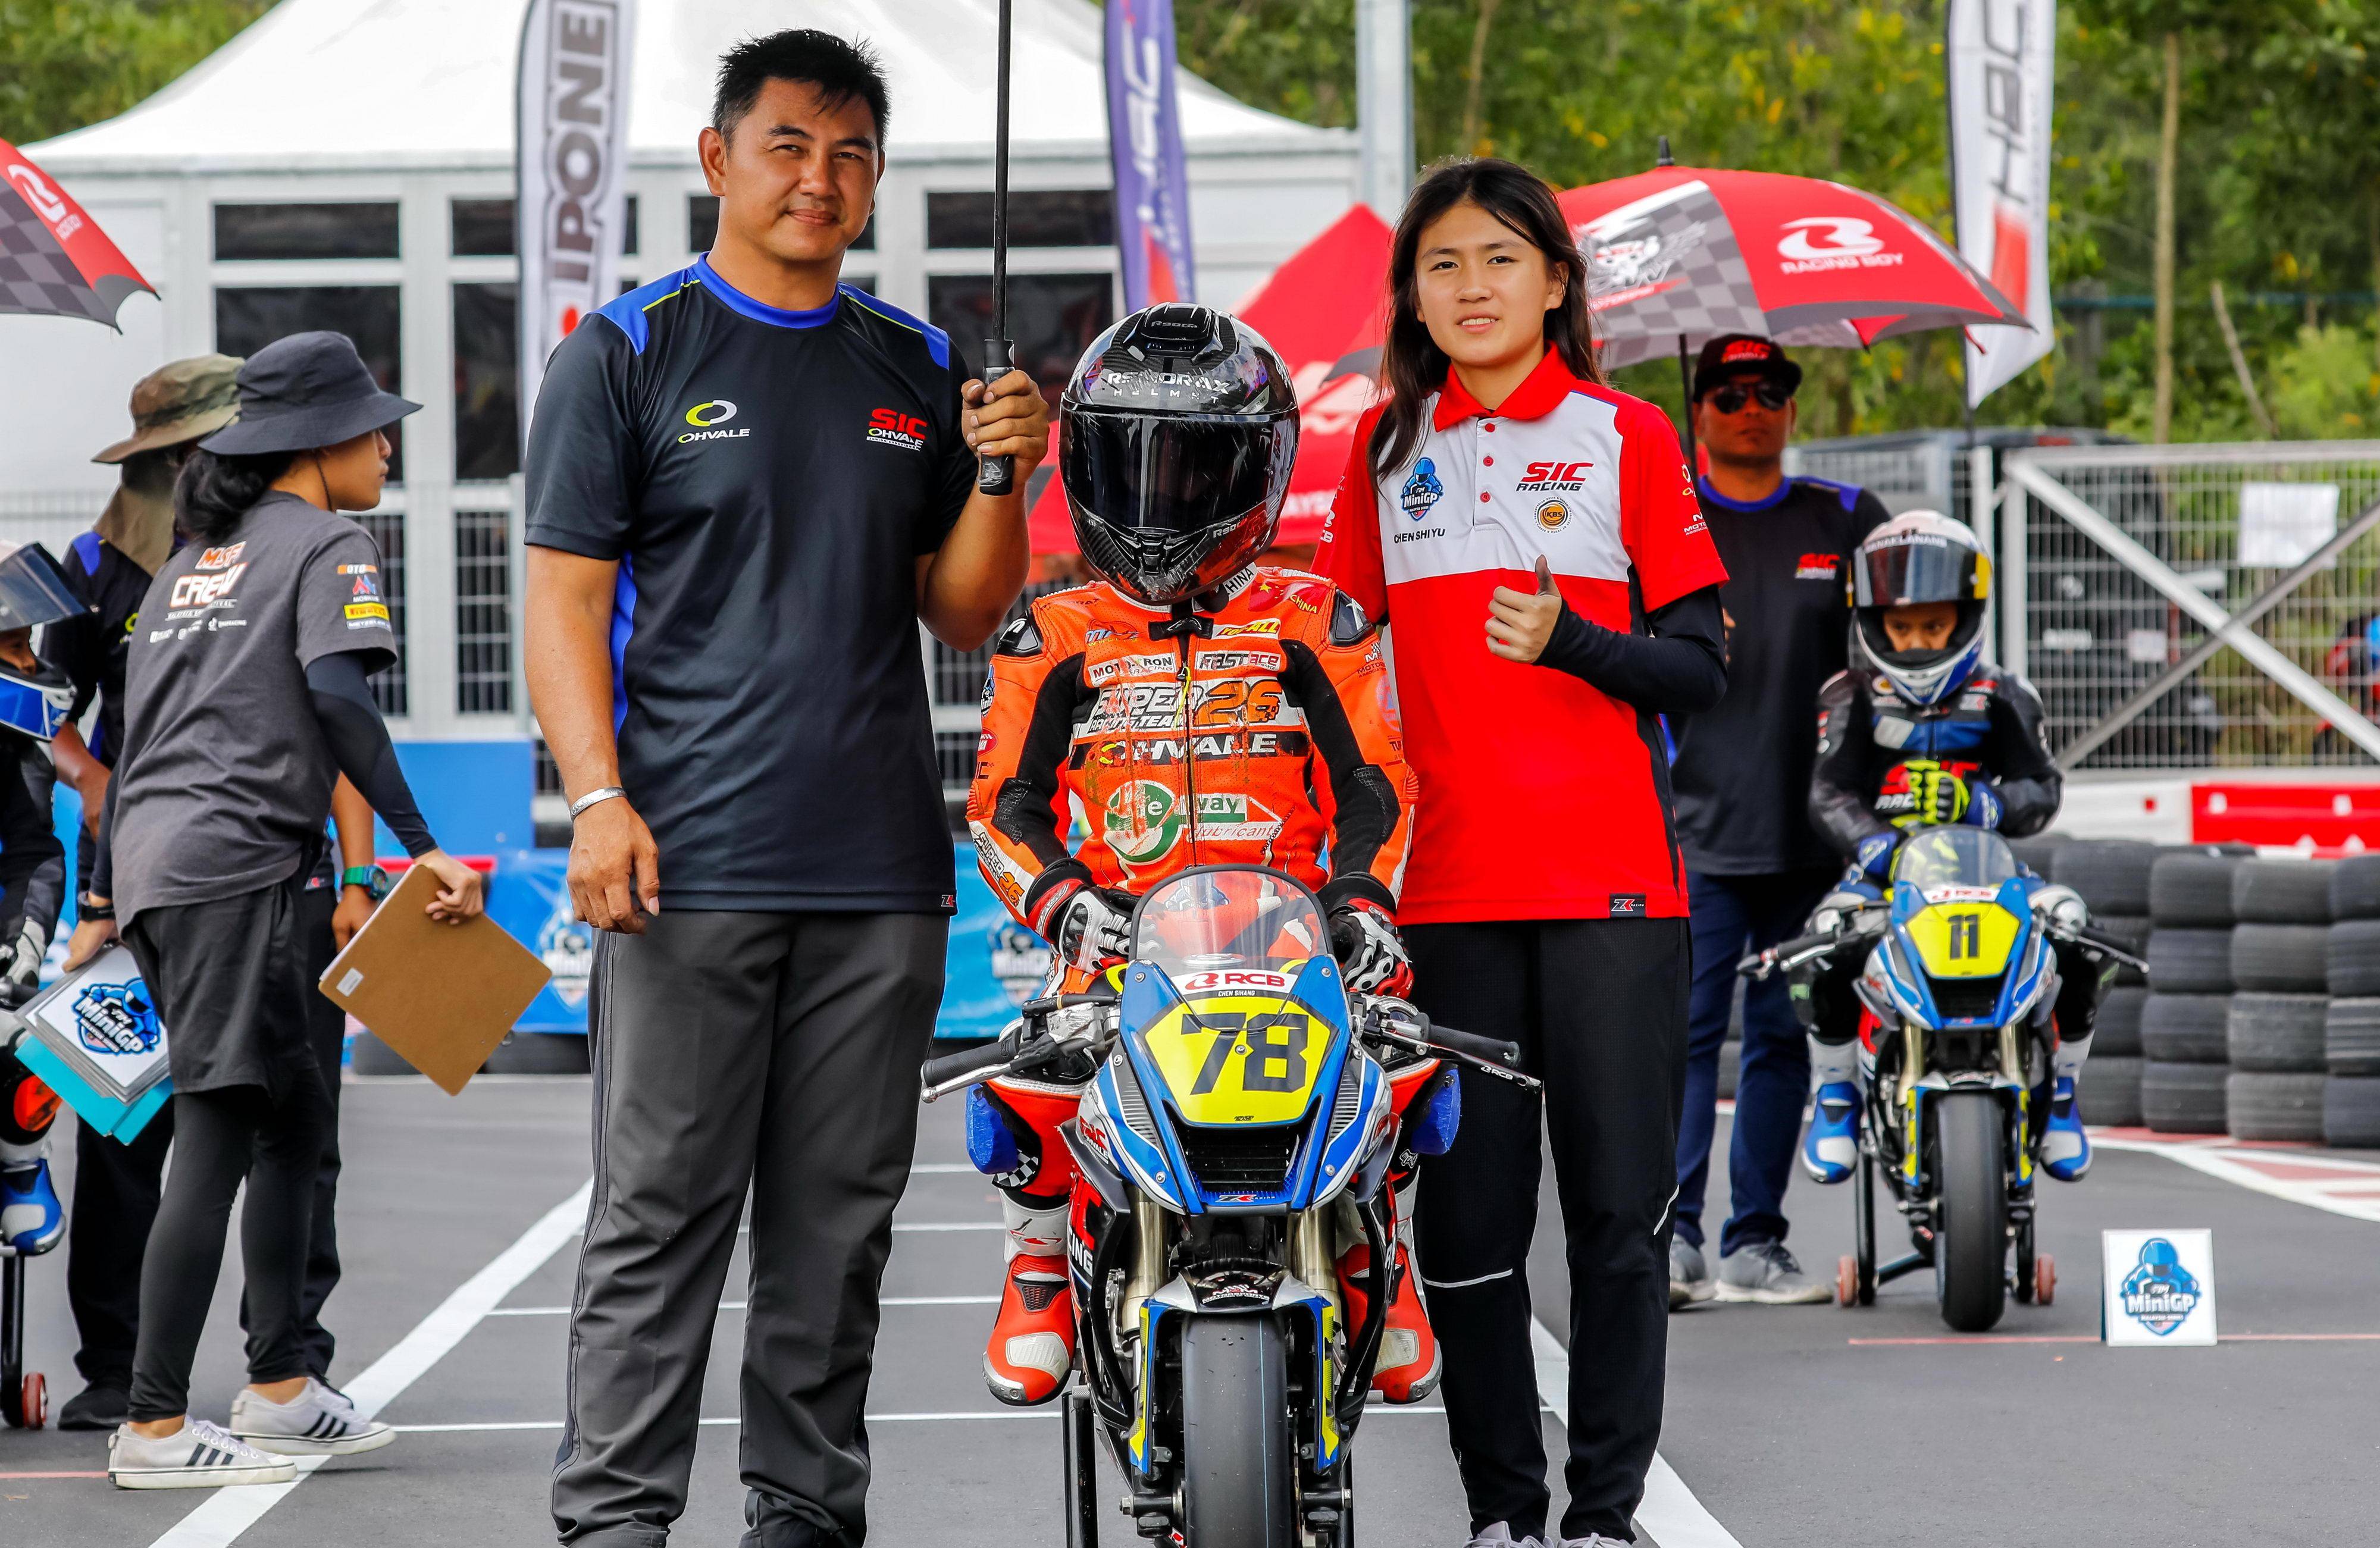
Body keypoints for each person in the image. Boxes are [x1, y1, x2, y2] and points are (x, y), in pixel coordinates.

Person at [522, 31, 1048, 1548]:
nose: (821, 179)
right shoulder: (625, 351)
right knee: (658, 1217)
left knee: (837, 1232)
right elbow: (561, 600)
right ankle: (614, 1522)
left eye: (851, 154)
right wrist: (597, 798)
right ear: (718, 158)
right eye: (789, 146)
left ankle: (805, 1515)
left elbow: (965, 612)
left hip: (879, 872)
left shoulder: (920, 364)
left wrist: (1004, 471)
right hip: (683, 864)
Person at [1315, 158, 1728, 1548]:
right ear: (1411, 296)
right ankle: (1502, 1509)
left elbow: (1700, 668)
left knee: (1617, 1217)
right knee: (1467, 1231)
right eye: (1441, 263)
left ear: (1555, 281)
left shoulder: (1627, 436)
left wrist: (1573, 642)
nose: (1470, 286)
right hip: (1439, 900)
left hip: (1613, 890)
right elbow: (1338, 680)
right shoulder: (1380, 451)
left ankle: (1602, 1514)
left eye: (1499, 258)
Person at [966, 301, 1436, 1406]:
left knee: (1406, 1046)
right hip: (1119, 941)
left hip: (1297, 940)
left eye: (1187, 471)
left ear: (1255, 473)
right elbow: (1000, 807)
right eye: (1128, 467)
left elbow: (1379, 783)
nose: (1155, 501)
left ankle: (1379, 1242)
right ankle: (1038, 1261)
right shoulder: (1051, 633)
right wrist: (1066, 904)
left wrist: (1363, 903)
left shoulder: (1318, 618)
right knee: (1030, 1067)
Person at [73, 330, 484, 1489]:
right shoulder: (326, 541)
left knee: (293, 1116)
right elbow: (339, 701)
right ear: (320, 441)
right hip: (234, 868)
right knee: (218, 1124)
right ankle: (154, 1424)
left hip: (161, 864)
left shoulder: (193, 560)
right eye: (374, 428)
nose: (389, 447)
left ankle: (282, 1387)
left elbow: (136, 734)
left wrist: (108, 887)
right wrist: (420, 849)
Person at [48, 355, 377, 1434]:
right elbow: (54, 707)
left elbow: (327, 723)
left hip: (257, 864)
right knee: (146, 1124)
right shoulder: (103, 564)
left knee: (292, 1121)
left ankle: (288, 1362)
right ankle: (130, 1383)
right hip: (166, 868)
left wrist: (359, 870)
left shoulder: (272, 547)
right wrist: (96, 830)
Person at [1663, 334, 1889, 1308]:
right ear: (1699, 413)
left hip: (1815, 838)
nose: (1751, 408)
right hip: (1694, 833)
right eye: (1729, 394)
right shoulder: (1666, 518)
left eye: (1769, 392)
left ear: (1793, 409)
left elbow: (1898, 655)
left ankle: (1755, 1240)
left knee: (1783, 1038)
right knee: (1681, 1038)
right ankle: (1674, 1236)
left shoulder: (1847, 517)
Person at [1797, 511, 2101, 1186]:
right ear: (1873, 622)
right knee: (1823, 939)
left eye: (1933, 626)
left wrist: (1985, 805)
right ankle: (1835, 1090)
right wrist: (1877, 846)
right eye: (1901, 627)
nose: (1915, 641)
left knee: (2076, 930)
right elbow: (1828, 792)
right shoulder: (1849, 696)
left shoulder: (2003, 693)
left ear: (1965, 618)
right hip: (1882, 875)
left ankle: (2061, 1091)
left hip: (1989, 873)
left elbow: (2041, 787)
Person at [0, 543, 86, 1258]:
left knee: (18, 1030)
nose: (31, 663)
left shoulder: (19, 746)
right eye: (15, 647)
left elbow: (33, 852)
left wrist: (22, 944)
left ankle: (19, 1166)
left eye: (29, 644)